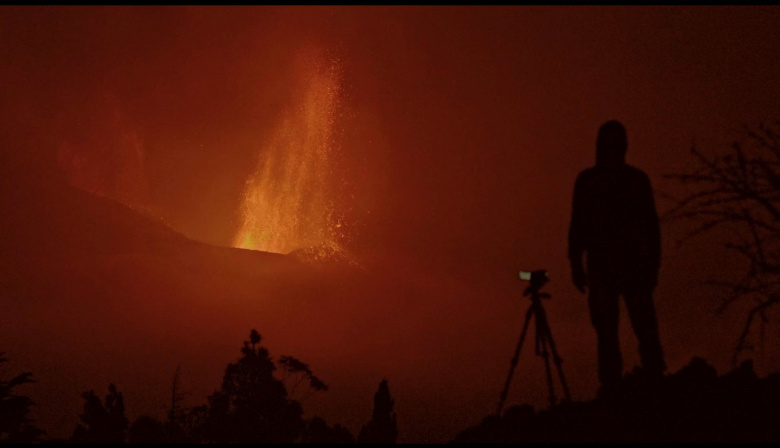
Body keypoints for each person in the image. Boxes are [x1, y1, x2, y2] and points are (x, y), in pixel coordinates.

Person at [568, 120, 666, 390]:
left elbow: (579, 226)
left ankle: (626, 383)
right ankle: (635, 381)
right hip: (621, 267)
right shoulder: (631, 180)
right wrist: (575, 262)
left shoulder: (594, 181)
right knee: (617, 329)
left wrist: (576, 262)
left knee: (623, 329)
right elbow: (579, 225)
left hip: (621, 267)